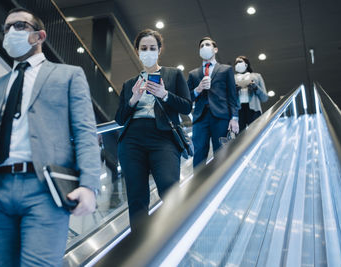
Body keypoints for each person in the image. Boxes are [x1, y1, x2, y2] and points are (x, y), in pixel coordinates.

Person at [0, 7, 100, 266]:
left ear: (39, 36)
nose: (10, 32)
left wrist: (89, 185)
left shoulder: (69, 75)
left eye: (19, 26)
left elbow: (85, 132)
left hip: (44, 190)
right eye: (6, 27)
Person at [115, 29, 192, 231]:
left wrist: (165, 94)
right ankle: (139, 252)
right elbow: (120, 118)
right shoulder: (130, 83)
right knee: (137, 197)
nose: (147, 51)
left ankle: (174, 237)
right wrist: (132, 99)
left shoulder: (173, 74)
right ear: (137, 51)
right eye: (143, 48)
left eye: (152, 48)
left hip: (163, 137)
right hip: (132, 140)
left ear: (159, 51)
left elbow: (186, 106)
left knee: (169, 186)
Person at [187, 37, 240, 168]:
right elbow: (187, 98)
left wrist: (234, 118)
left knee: (222, 153)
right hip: (200, 118)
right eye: (201, 46)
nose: (204, 47)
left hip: (221, 116)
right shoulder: (193, 74)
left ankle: (223, 185)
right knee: (199, 153)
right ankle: (198, 187)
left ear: (215, 49)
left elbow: (232, 96)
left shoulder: (226, 70)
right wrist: (198, 89)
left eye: (207, 44)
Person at [234, 56, 269, 131]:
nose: (237, 64)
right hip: (238, 111)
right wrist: (234, 91)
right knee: (240, 138)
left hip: (254, 110)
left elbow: (265, 98)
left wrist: (255, 87)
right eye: (236, 63)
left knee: (255, 134)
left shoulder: (257, 76)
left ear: (246, 64)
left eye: (240, 62)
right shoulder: (232, 78)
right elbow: (228, 98)